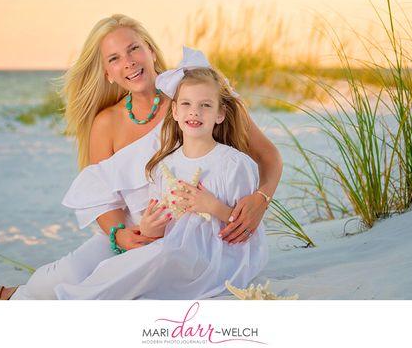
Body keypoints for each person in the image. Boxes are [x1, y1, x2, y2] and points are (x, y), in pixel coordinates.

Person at [0, 14, 281, 300]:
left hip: (192, 230)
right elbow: (100, 197)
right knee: (67, 273)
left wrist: (261, 197)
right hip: (138, 230)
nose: (128, 61)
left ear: (151, 51)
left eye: (133, 49)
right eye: (114, 58)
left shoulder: (195, 97)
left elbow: (268, 155)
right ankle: (15, 297)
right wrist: (119, 235)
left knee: (135, 279)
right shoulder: (106, 123)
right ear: (108, 73)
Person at [53, 60, 267, 299]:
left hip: (220, 256)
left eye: (205, 105)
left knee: (162, 258)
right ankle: (77, 298)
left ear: (220, 114)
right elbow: (162, 222)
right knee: (123, 265)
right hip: (174, 248)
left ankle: (78, 300)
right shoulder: (164, 166)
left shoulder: (233, 164)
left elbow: (247, 228)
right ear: (174, 111)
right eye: (186, 104)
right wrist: (148, 228)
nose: (194, 112)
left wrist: (212, 206)